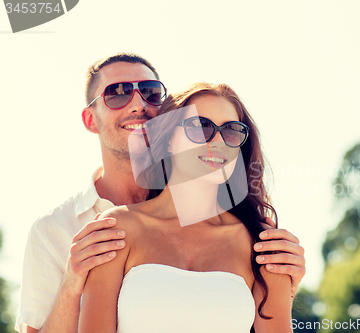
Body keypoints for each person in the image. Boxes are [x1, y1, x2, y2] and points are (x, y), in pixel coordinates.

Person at [16, 53, 305, 333]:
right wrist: (71, 282)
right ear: (166, 139)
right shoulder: (98, 228)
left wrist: (286, 288)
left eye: (230, 131)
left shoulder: (261, 241)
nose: (138, 105)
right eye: (117, 93)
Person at [79, 82, 292, 332]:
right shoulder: (117, 229)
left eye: (232, 131)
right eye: (201, 126)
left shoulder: (261, 242)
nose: (218, 141)